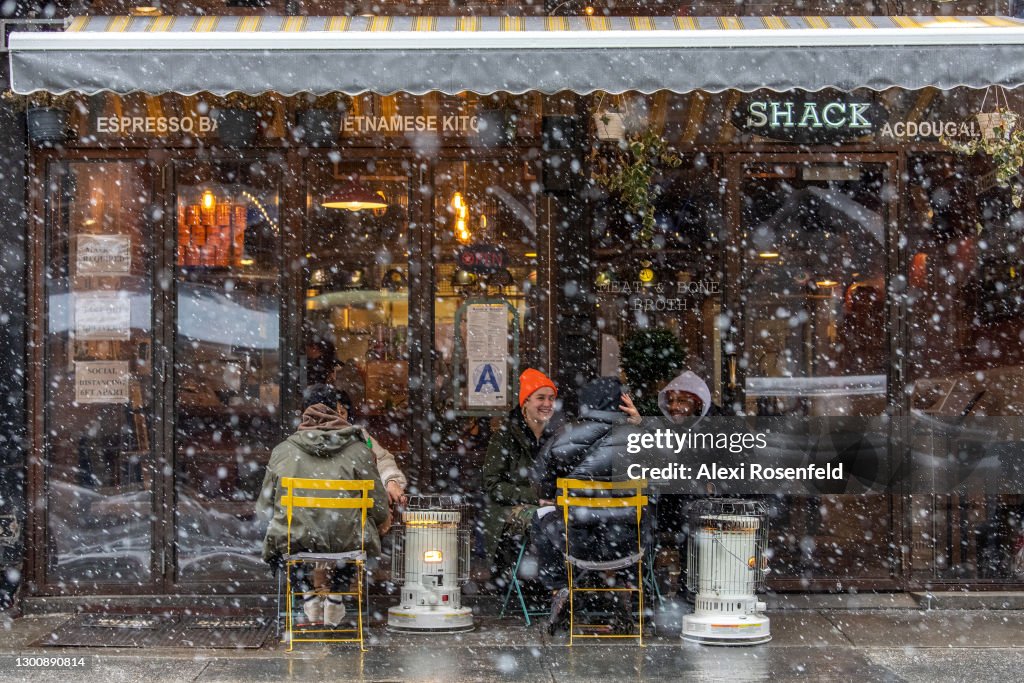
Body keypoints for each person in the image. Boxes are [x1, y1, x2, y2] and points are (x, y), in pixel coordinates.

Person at [258, 385, 391, 627]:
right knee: (359, 534)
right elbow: (379, 508)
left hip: (296, 539)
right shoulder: (359, 451)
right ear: (337, 411)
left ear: (303, 413)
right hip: (348, 541)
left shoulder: (283, 451)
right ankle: (338, 593)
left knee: (276, 539)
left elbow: (263, 508)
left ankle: (305, 591)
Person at [531, 376, 648, 633]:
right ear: (622, 402)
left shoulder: (563, 435)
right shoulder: (641, 440)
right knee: (648, 512)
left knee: (541, 513)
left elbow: (542, 485)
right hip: (627, 544)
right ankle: (625, 588)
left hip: (574, 540)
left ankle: (559, 588)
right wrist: (641, 424)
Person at [481, 368, 559, 576]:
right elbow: (492, 486)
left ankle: (560, 582)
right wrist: (535, 498)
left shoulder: (557, 436)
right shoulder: (504, 437)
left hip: (551, 506)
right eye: (540, 397)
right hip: (508, 511)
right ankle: (548, 581)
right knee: (547, 523)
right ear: (525, 402)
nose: (547, 404)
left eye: (551, 398)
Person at [303, 384, 408, 505]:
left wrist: (391, 480)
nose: (338, 417)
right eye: (333, 412)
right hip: (348, 515)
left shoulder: (361, 437)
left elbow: (382, 459)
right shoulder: (302, 442)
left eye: (342, 412)